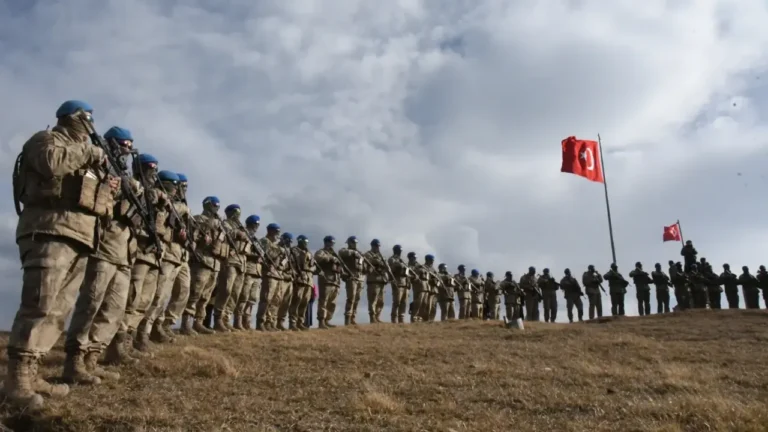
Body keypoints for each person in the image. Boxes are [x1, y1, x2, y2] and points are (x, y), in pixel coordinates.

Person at [6, 100, 113, 410]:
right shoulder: (46, 139)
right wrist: (90, 152)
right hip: (49, 230)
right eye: (87, 118)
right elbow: (51, 164)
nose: (91, 125)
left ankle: (33, 372)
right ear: (72, 118)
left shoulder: (88, 158)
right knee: (39, 304)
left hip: (79, 236)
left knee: (57, 312)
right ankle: (16, 381)